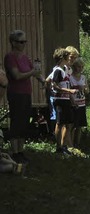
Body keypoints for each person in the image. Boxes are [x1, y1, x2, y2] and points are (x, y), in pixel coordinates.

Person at [4, 29, 43, 164]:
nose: (24, 44)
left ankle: (21, 151)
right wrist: (32, 72)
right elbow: (17, 75)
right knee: (16, 122)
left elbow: (35, 73)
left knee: (24, 123)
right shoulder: (10, 57)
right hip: (16, 93)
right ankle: (14, 152)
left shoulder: (26, 58)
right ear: (13, 43)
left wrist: (44, 82)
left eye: (25, 42)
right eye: (21, 42)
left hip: (26, 93)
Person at [50, 47, 78, 156]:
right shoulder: (57, 70)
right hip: (60, 99)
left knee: (67, 122)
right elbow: (54, 85)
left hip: (66, 99)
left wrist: (71, 98)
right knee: (60, 122)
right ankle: (58, 147)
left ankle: (63, 145)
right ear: (62, 58)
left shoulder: (64, 70)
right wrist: (69, 90)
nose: (69, 60)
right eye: (67, 57)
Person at [69, 57, 88, 150]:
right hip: (74, 103)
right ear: (74, 67)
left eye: (82, 67)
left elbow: (87, 90)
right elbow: (68, 91)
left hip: (82, 103)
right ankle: (71, 144)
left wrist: (84, 88)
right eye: (78, 66)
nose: (80, 68)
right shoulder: (70, 77)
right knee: (73, 125)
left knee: (80, 125)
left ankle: (78, 144)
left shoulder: (84, 77)